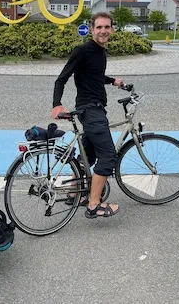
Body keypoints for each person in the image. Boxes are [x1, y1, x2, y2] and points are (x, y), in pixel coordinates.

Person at [51, 12, 123, 218]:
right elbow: (61, 79)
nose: (103, 31)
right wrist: (57, 104)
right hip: (90, 110)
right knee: (108, 155)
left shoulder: (100, 52)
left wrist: (113, 81)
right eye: (99, 27)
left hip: (95, 109)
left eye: (107, 27)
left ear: (112, 29)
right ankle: (94, 205)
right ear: (92, 30)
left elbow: (94, 75)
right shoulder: (82, 51)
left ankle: (76, 193)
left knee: (88, 157)